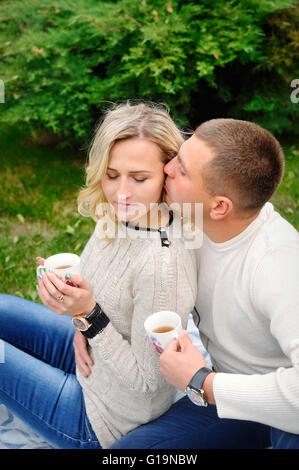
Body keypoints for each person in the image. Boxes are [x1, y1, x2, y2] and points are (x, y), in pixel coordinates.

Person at [0, 102, 198, 449]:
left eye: (139, 178)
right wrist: (78, 316)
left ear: (168, 174)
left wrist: (88, 316)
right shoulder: (121, 214)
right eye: (111, 174)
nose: (120, 193)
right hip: (90, 358)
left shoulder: (161, 268)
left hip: (102, 420)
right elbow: (96, 288)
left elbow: (148, 383)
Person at [108, 118, 299, 449]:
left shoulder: (278, 266)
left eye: (181, 170)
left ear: (220, 206)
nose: (166, 168)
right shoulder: (192, 213)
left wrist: (203, 383)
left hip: (277, 410)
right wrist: (89, 318)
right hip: (226, 391)